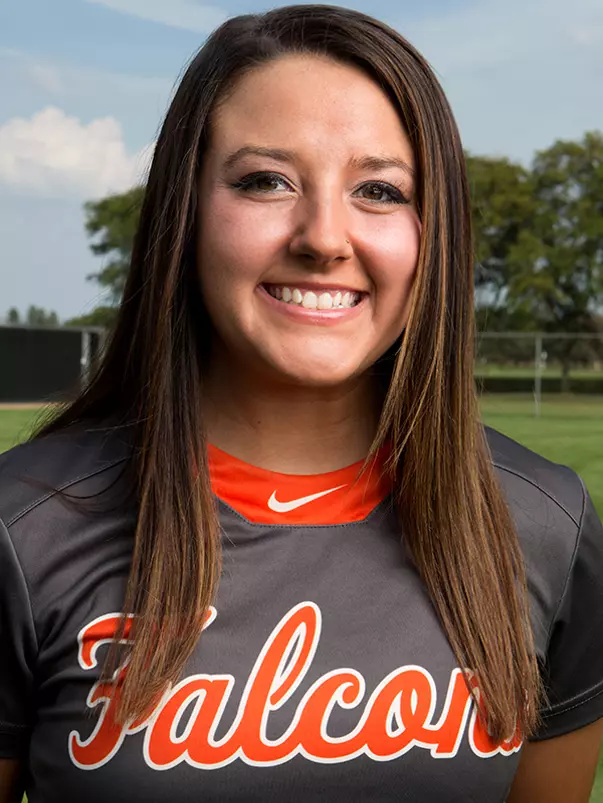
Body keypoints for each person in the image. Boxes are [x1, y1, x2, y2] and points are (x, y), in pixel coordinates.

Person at [1, 5, 602, 802]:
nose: (323, 236)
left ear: (434, 234)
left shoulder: (546, 526)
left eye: (379, 190)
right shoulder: (24, 528)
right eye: (265, 181)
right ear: (186, 211)